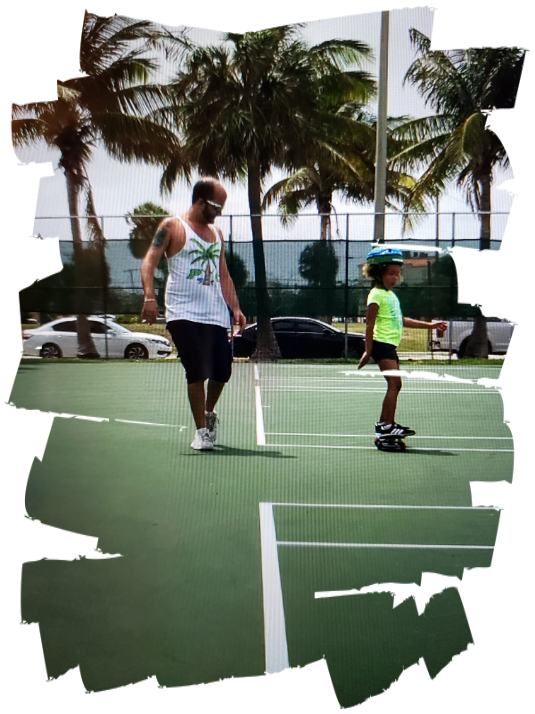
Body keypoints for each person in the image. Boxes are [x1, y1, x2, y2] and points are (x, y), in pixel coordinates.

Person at [141, 179, 246, 451]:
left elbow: (224, 275)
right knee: (197, 370)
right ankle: (201, 432)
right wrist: (149, 297)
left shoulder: (218, 234)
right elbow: (149, 262)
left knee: (222, 371)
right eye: (217, 206)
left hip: (215, 315)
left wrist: (235, 308)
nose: (220, 212)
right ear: (200, 202)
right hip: (182, 313)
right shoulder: (171, 227)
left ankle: (209, 413)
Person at [358, 246, 447, 440]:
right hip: (381, 344)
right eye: (391, 274)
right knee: (395, 384)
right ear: (378, 273)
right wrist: (368, 351)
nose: (395, 278)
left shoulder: (390, 296)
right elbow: (369, 323)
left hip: (389, 345)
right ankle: (387, 426)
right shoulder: (376, 295)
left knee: (395, 384)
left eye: (397, 274)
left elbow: (401, 320)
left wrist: (431, 325)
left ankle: (384, 425)